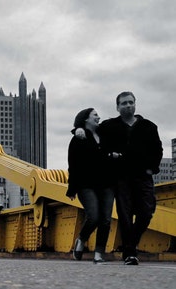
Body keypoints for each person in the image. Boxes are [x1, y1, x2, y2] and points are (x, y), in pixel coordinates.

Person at [76, 92, 162, 264]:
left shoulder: (149, 126)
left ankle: (130, 245)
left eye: (131, 102)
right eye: (124, 103)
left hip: (143, 177)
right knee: (125, 215)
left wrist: (152, 169)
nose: (128, 105)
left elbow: (158, 150)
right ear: (118, 107)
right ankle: (130, 253)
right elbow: (91, 130)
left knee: (146, 213)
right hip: (121, 178)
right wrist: (78, 129)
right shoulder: (109, 126)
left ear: (135, 105)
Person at [66, 108, 116, 263]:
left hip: (106, 183)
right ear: (85, 119)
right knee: (93, 216)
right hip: (85, 184)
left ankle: (99, 253)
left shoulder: (105, 135)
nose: (98, 117)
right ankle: (81, 239)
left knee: (106, 219)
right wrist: (72, 187)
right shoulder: (78, 138)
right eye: (95, 115)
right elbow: (73, 164)